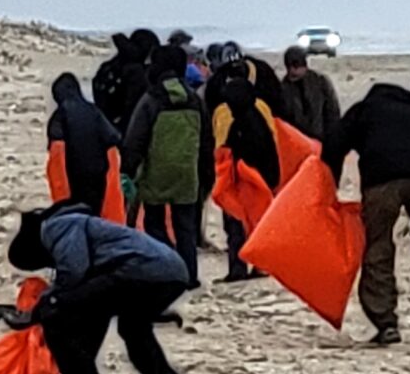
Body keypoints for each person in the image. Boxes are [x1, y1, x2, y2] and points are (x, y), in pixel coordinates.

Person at [7, 200, 198, 374]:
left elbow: (73, 271)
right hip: (172, 273)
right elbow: (97, 299)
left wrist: (44, 303)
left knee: (56, 317)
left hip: (136, 271)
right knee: (133, 329)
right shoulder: (91, 225)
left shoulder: (56, 227)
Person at [324, 82, 410, 345]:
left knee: (378, 248)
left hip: (381, 179)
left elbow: (334, 141)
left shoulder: (366, 110)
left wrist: (329, 185)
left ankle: (385, 322)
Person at [122, 44, 215, 285]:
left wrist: (128, 170)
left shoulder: (151, 99)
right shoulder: (195, 100)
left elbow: (135, 138)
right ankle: (189, 275)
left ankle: (167, 267)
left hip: (156, 174)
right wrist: (207, 175)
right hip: (187, 175)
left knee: (154, 224)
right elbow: (207, 141)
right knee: (185, 228)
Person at [209, 67, 282, 283]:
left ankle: (238, 268)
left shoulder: (236, 121)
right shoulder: (260, 112)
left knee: (236, 225)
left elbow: (224, 146)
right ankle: (261, 266)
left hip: (243, 182)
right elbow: (273, 144)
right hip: (261, 181)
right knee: (257, 224)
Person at [46, 72, 121, 213]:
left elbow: (56, 149)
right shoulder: (94, 111)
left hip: (73, 176)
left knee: (76, 216)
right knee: (94, 214)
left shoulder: (59, 116)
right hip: (97, 175)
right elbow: (113, 137)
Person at [280, 48, 342, 140]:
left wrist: (332, 137)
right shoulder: (283, 89)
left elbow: (332, 111)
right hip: (297, 141)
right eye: (289, 67)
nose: (292, 71)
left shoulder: (320, 81)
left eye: (296, 66)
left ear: (304, 65)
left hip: (321, 138)